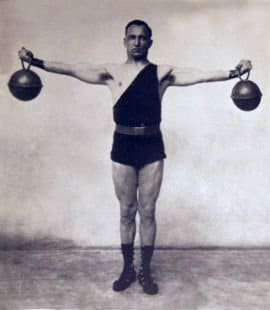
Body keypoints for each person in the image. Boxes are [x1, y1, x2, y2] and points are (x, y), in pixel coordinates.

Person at [18, 19, 252, 295]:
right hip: (123, 146)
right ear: (125, 41)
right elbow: (72, 69)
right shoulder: (111, 72)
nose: (137, 42)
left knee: (148, 211)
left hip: (151, 146)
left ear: (150, 42)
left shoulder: (162, 73)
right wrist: (36, 62)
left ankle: (146, 271)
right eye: (132, 37)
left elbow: (199, 75)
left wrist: (234, 72)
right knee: (127, 212)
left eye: (143, 38)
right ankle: (127, 267)